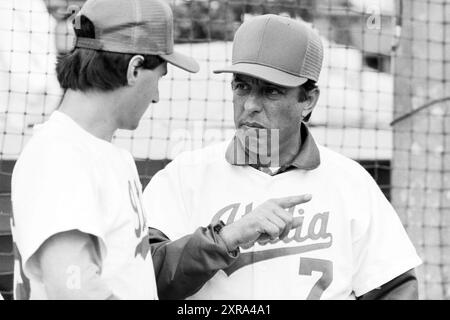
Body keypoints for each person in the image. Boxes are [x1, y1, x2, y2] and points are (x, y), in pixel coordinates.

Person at [10, 0, 309, 300]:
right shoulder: (60, 156)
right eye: (160, 78)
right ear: (134, 68)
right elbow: (73, 291)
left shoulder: (101, 153)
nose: (156, 96)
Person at [143, 14, 422, 300]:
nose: (250, 105)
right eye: (241, 86)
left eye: (271, 91)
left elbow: (395, 288)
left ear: (308, 100)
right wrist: (225, 238)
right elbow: (142, 279)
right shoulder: (185, 176)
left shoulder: (351, 183)